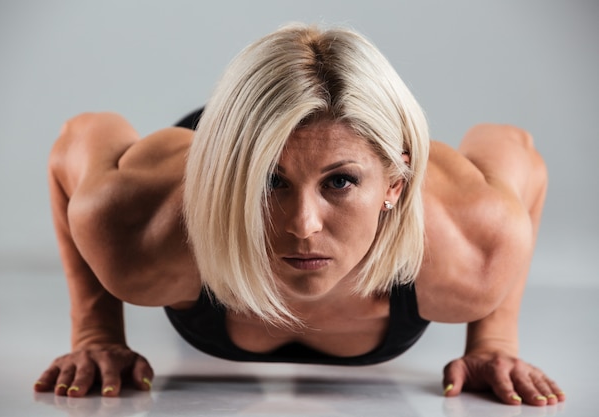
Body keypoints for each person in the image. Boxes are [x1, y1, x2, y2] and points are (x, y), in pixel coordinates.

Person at [34, 24, 564, 406]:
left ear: (395, 186)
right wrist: (96, 332)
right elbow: (75, 140)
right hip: (237, 143)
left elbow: (517, 148)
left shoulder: (473, 239)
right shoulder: (142, 222)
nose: (302, 226)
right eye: (272, 185)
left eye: (340, 183)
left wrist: (494, 342)